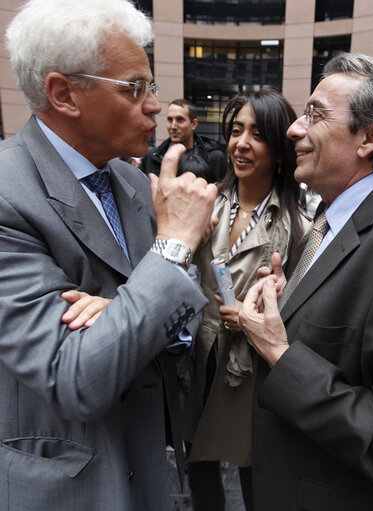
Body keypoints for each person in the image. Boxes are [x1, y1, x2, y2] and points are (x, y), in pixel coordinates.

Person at [0, 1, 216, 510]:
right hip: (67, 487)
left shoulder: (128, 179)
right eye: (135, 88)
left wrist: (121, 307)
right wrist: (173, 248)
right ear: (63, 93)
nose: (155, 106)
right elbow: (74, 376)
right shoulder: (9, 193)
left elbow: (177, 320)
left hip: (150, 474)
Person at [239, 52, 373, 511]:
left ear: (371, 136)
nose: (294, 128)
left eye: (314, 114)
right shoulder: (332, 218)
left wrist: (278, 351)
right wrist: (297, 298)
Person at [179, 89, 311, 511]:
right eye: (236, 131)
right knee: (197, 464)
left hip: (249, 370)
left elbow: (302, 310)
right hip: (196, 355)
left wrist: (261, 313)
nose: (241, 143)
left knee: (254, 467)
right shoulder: (204, 203)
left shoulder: (298, 226)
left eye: (257, 134)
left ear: (278, 151)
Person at [141, 98, 227, 181]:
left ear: (193, 124)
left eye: (180, 120)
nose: (173, 126)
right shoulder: (152, 157)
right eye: (170, 120)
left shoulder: (215, 158)